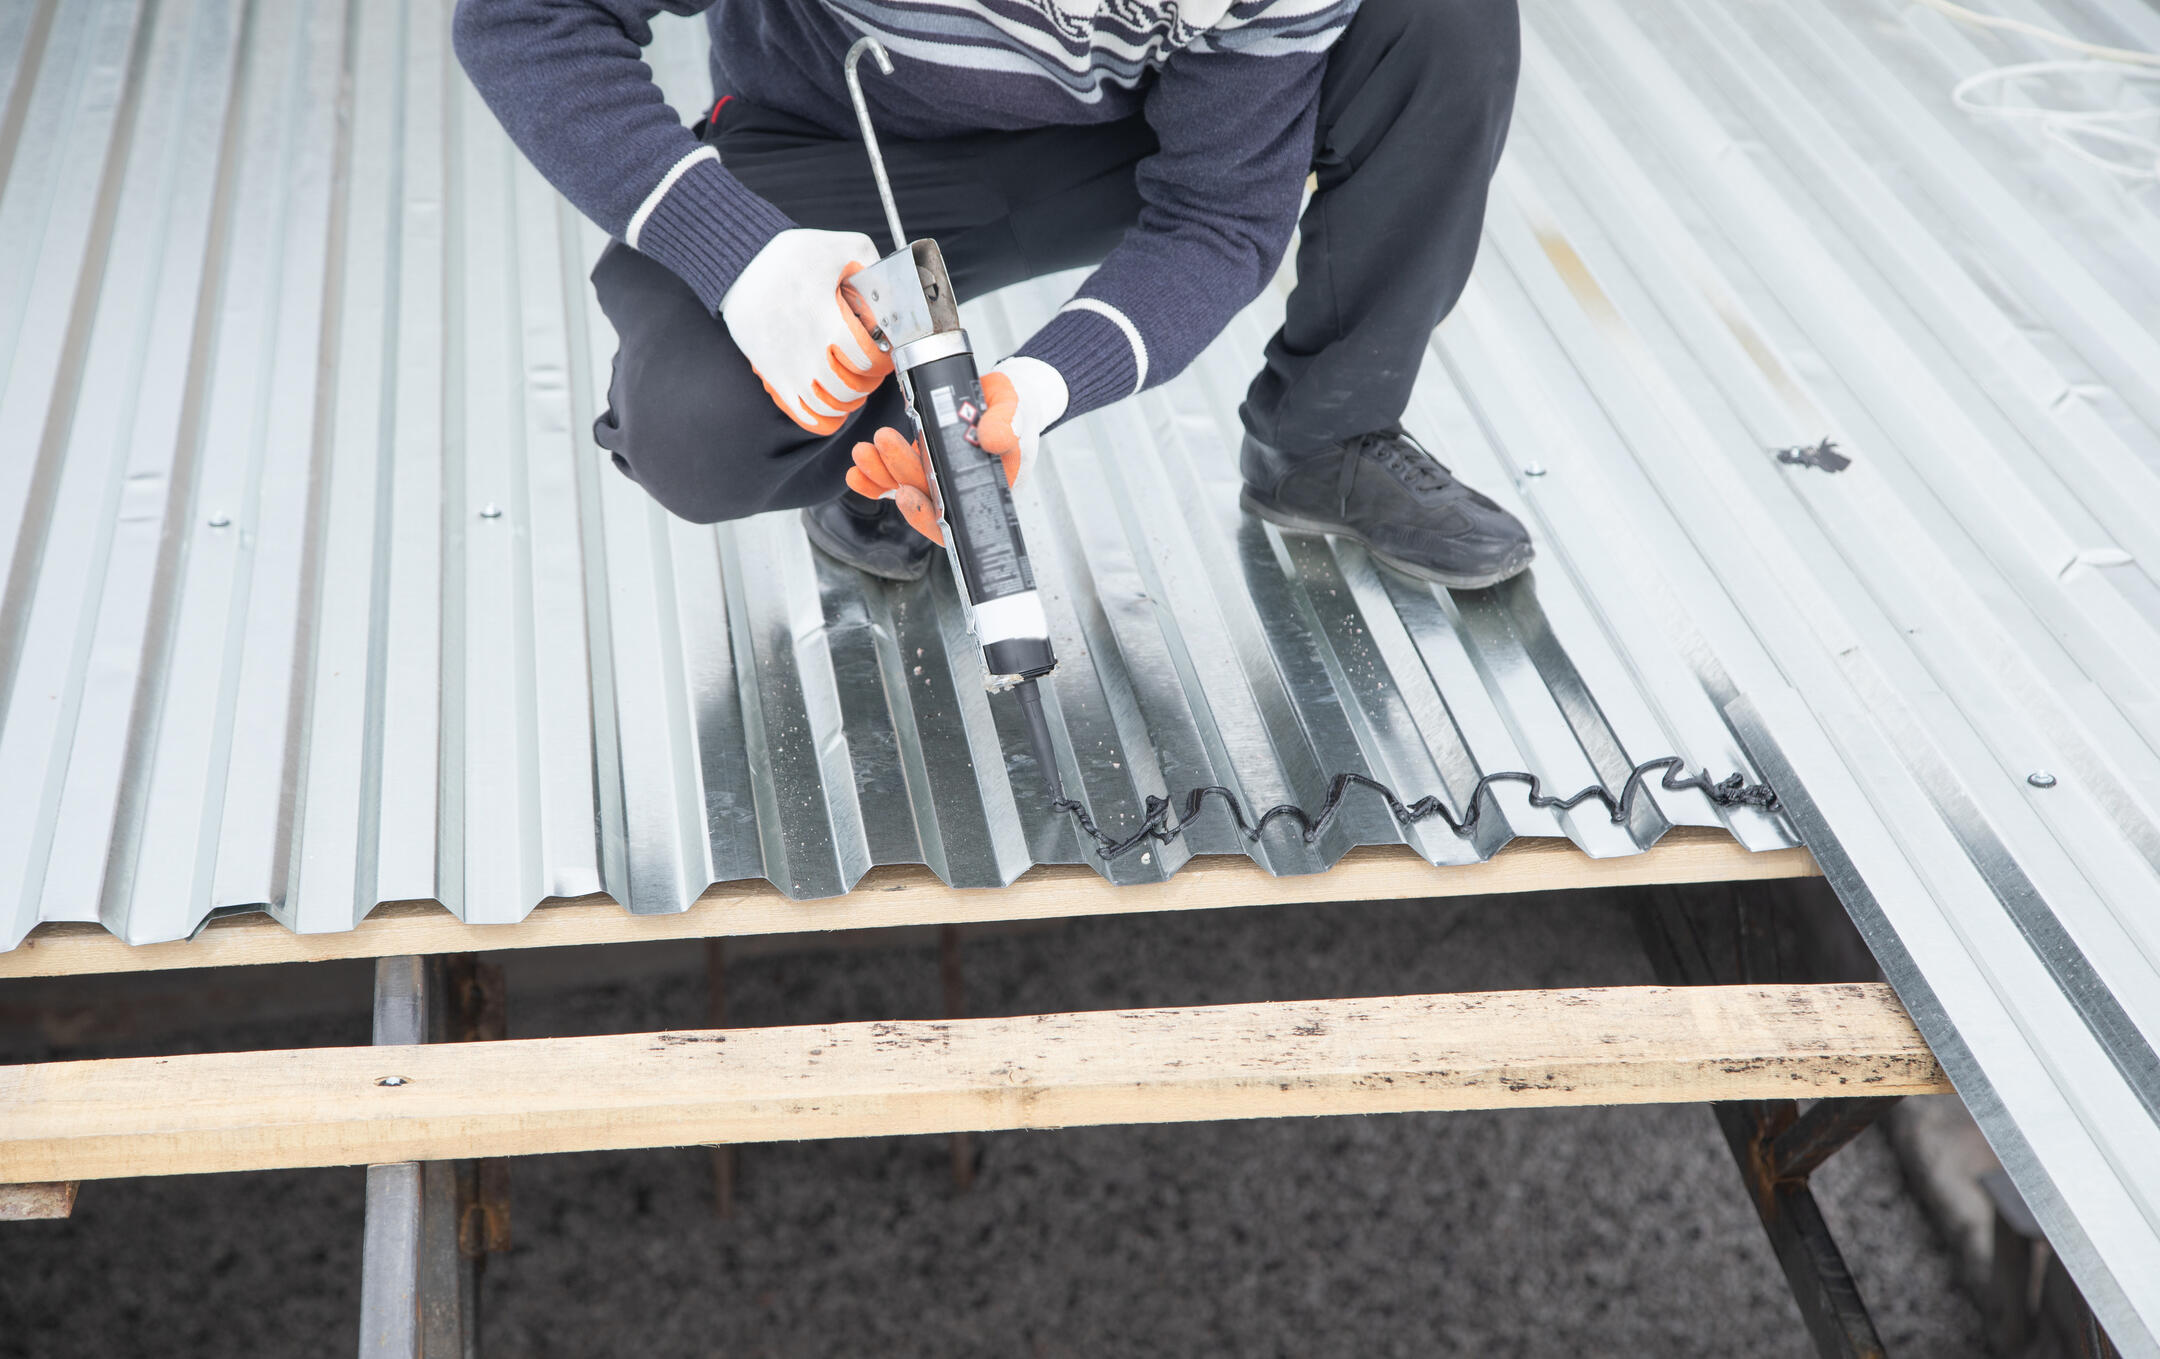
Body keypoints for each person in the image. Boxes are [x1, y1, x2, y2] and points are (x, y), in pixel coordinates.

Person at [453, 0, 1534, 589]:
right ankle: (878, 445)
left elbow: (1216, 216)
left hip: (1109, 143)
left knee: (1441, 16)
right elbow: (522, 17)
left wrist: (1038, 389)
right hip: (846, 141)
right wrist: (739, 255)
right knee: (700, 430)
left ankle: (1326, 439)